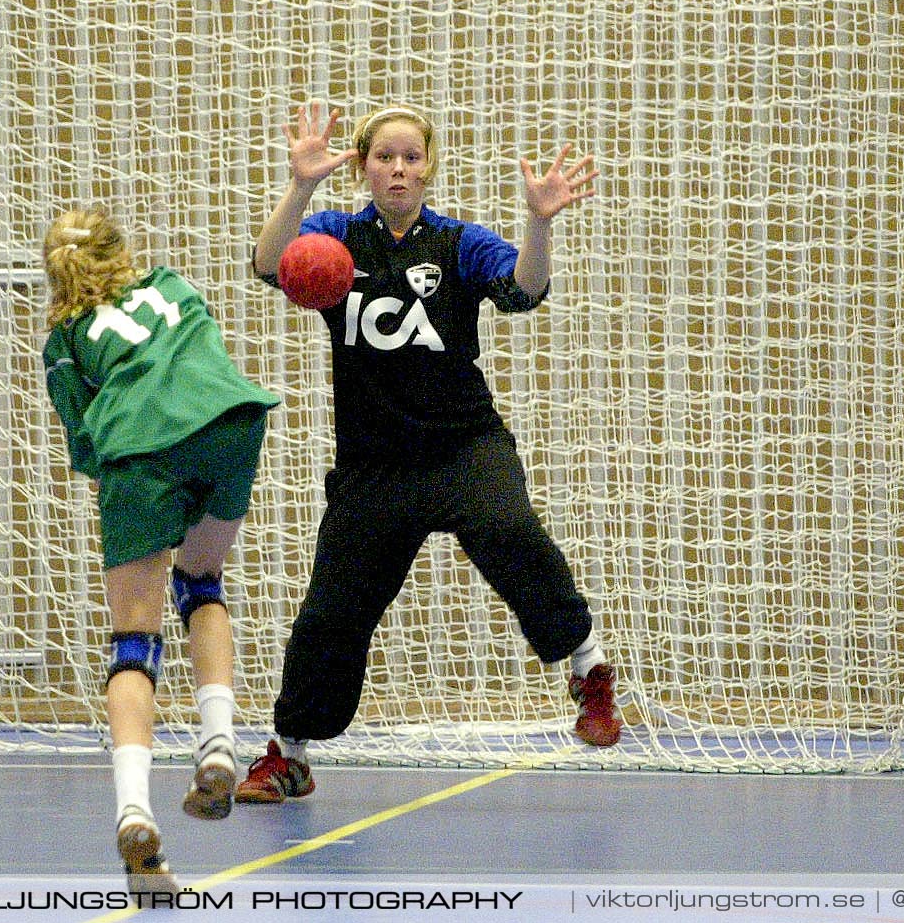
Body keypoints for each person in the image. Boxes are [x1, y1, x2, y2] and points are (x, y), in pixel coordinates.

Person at [237, 101, 619, 805]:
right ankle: (289, 752)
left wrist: (538, 223)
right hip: (374, 464)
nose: (399, 168)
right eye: (385, 156)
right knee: (331, 611)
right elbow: (268, 264)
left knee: (512, 533)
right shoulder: (332, 236)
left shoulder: (457, 241)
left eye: (412, 157)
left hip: (462, 445)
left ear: (429, 167)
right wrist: (300, 187)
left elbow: (524, 292)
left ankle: (588, 667)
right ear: (363, 165)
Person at [41, 207, 280, 892]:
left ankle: (135, 810)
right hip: (232, 422)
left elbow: (86, 442)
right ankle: (218, 744)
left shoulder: (65, 338)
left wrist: (137, 492)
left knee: (133, 641)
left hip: (138, 453)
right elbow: (199, 357)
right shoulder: (172, 285)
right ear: (122, 252)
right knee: (201, 579)